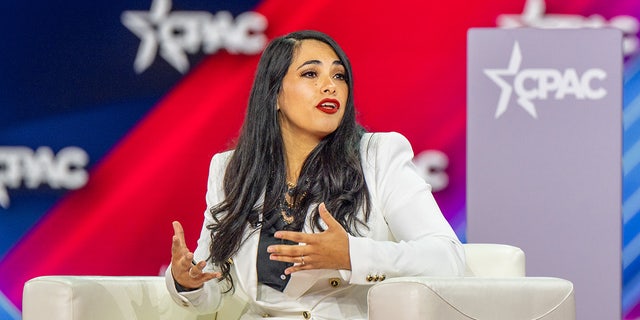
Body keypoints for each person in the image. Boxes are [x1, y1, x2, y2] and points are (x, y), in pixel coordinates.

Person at [166, 30, 465, 319]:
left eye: (339, 76)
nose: (330, 86)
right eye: (311, 74)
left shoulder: (378, 155)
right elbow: (215, 285)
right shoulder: (232, 169)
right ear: (274, 96)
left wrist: (352, 255)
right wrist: (187, 281)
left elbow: (447, 258)